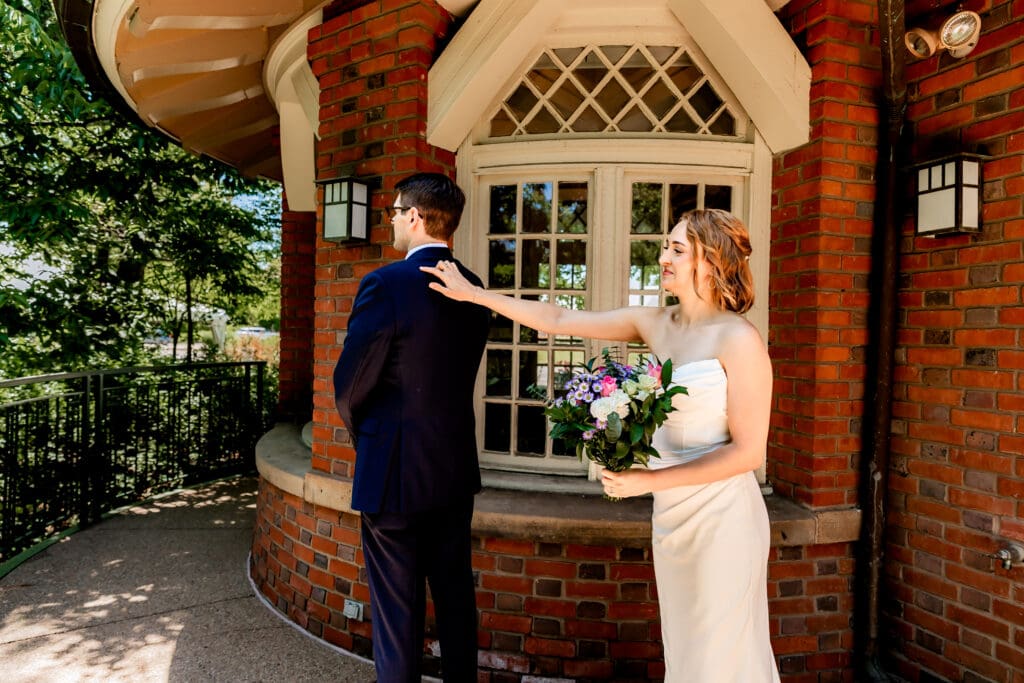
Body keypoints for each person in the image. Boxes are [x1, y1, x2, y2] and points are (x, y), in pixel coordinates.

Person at [421, 208, 780, 682]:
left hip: (725, 521)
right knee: (687, 650)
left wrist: (647, 481)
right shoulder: (655, 323)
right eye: (665, 247)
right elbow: (556, 316)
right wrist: (475, 295)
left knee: (721, 655)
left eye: (676, 249)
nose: (663, 257)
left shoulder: (740, 339)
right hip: (672, 519)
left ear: (709, 262)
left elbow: (748, 453)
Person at [333, 172, 490, 682]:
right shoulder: (475, 287)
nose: (394, 221)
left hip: (394, 472)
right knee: (454, 598)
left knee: (397, 615)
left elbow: (351, 383)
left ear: (417, 218)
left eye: (396, 212)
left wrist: (367, 437)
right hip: (453, 469)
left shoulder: (385, 283)